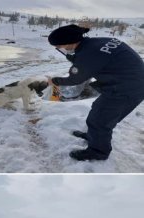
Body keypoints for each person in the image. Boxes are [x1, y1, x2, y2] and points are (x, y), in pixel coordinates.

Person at [47, 24, 144, 161]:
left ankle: (98, 152)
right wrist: (78, 60)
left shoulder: (88, 54)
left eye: (59, 46)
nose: (59, 49)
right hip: (134, 81)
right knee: (99, 112)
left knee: (100, 120)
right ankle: (94, 136)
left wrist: (55, 81)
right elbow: (97, 59)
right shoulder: (98, 42)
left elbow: (76, 78)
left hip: (126, 88)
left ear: (68, 42)